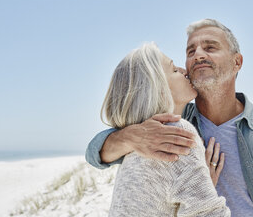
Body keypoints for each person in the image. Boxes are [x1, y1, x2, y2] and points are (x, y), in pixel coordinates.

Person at [86, 19, 253, 217]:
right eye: (191, 51)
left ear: (237, 62)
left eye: (210, 47)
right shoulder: (168, 128)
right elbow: (95, 155)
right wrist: (130, 136)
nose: (198, 54)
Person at [98, 42, 230, 216]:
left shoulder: (133, 149)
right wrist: (202, 191)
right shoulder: (175, 132)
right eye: (174, 70)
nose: (184, 71)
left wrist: (197, 184)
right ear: (158, 89)